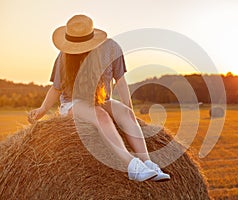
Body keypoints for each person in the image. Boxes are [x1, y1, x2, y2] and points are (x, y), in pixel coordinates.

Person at [28, 14, 170, 182]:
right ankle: (132, 165)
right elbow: (56, 88)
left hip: (101, 99)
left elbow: (121, 81)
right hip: (73, 103)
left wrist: (129, 109)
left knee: (126, 113)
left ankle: (147, 163)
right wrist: (43, 109)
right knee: (101, 116)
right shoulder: (64, 56)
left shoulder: (111, 48)